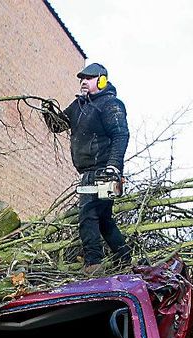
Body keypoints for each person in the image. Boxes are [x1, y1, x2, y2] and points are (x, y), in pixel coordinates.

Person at [43, 62, 131, 266]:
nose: (83, 82)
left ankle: (94, 264)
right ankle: (125, 259)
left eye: (89, 78)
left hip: (104, 172)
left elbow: (121, 135)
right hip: (89, 172)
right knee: (104, 220)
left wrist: (113, 167)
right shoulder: (79, 106)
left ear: (101, 80)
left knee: (88, 216)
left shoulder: (111, 104)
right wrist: (47, 112)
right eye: (82, 78)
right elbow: (58, 125)